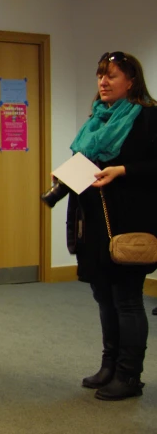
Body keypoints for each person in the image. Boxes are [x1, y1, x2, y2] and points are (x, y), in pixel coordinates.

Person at [65, 51, 156, 401]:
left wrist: (124, 171)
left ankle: (129, 376)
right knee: (103, 295)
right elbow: (85, 163)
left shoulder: (148, 117)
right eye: (100, 75)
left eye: (112, 76)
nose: (103, 82)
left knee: (127, 299)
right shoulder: (97, 119)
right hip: (95, 221)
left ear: (131, 81)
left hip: (131, 221)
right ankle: (110, 365)